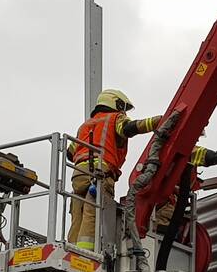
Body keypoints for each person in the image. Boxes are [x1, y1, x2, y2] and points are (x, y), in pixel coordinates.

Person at [68, 89, 161, 251]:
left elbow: (70, 152)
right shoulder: (114, 118)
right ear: (116, 103)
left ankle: (70, 250)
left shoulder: (86, 125)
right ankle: (85, 253)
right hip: (100, 172)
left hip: (78, 175)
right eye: (122, 106)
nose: (124, 111)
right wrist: (158, 122)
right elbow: (129, 128)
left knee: (78, 216)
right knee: (92, 214)